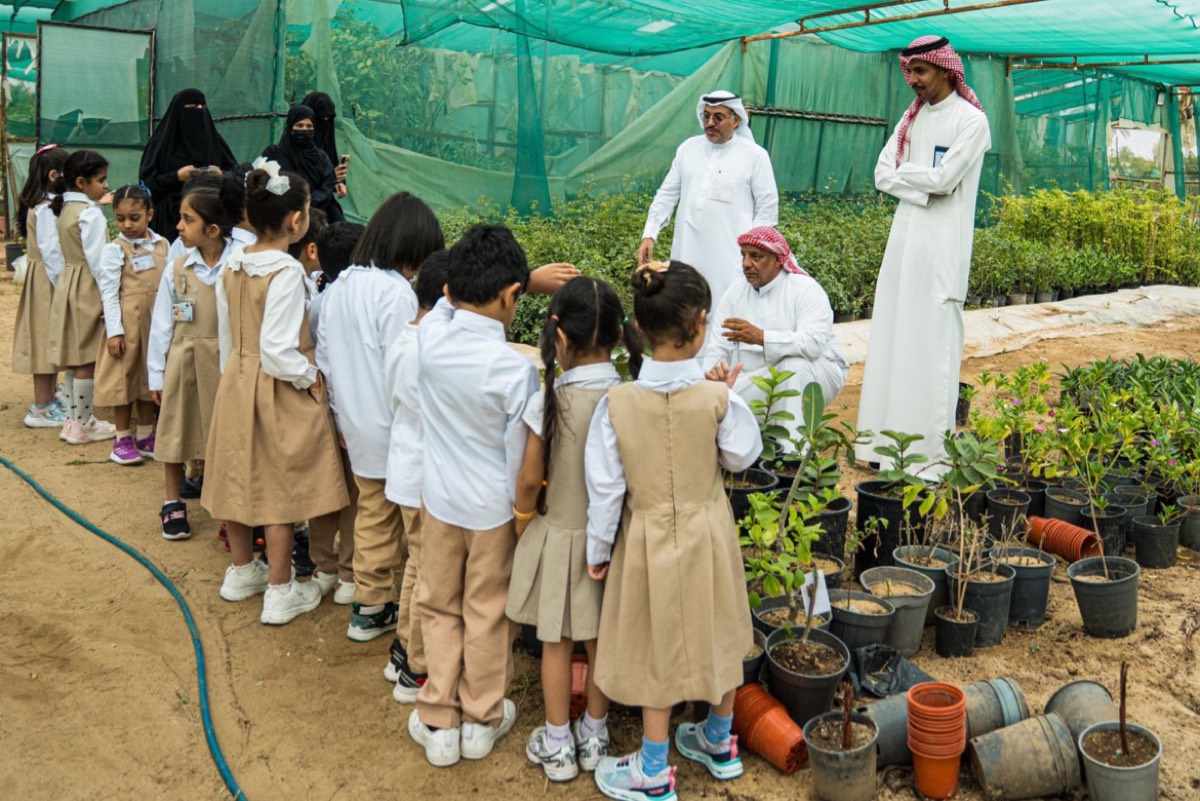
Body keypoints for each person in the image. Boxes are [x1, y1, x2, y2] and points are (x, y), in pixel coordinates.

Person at [585, 261, 761, 801]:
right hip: (708, 531)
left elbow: (606, 489)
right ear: (701, 324)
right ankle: (718, 740)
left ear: (638, 328)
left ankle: (653, 768)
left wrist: (598, 549)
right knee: (720, 631)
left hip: (647, 536)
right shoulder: (717, 398)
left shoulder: (615, 405)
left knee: (656, 644)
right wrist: (727, 398)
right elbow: (742, 456)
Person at [408, 224, 538, 767]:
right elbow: (520, 458)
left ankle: (439, 720)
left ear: (449, 290)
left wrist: (523, 280)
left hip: (439, 502)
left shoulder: (429, 340)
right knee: (487, 611)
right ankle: (482, 718)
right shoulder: (516, 370)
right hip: (493, 513)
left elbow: (444, 304)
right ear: (511, 296)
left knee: (439, 605)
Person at [201, 158, 348, 625]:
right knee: (277, 484)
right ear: (297, 220)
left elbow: (229, 334)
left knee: (238, 471)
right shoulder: (285, 271)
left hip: (238, 377)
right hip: (276, 385)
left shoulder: (234, 264)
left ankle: (242, 570)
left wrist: (233, 378)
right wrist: (310, 377)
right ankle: (280, 590)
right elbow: (279, 350)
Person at [507, 277, 642, 783]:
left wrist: (522, 522)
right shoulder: (628, 398)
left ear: (559, 338)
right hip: (612, 542)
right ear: (618, 336)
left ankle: (559, 741)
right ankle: (596, 733)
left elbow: (528, 479)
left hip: (559, 535)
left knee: (557, 642)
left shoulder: (549, 399)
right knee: (600, 638)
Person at [855, 36, 991, 475]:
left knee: (931, 351)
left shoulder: (972, 121)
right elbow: (882, 175)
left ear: (946, 70)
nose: (912, 80)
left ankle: (926, 461)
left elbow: (946, 181)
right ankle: (880, 448)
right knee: (892, 339)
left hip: (942, 253)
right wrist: (923, 183)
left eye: (920, 71)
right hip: (903, 245)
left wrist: (911, 175)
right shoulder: (910, 118)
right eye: (909, 71)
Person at [316, 191, 445, 642]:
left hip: (357, 425)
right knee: (417, 526)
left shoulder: (339, 288)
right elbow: (406, 364)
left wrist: (340, 417)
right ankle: (418, 623)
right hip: (398, 428)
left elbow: (326, 362)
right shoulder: (395, 293)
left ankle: (369, 606)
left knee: (372, 515)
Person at [148, 179, 241, 540]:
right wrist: (156, 374)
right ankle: (172, 502)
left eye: (188, 220)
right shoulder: (178, 268)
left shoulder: (237, 264)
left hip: (224, 363)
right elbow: (161, 324)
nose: (179, 226)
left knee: (223, 435)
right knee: (176, 429)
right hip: (183, 359)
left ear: (213, 230)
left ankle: (226, 506)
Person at [701, 226, 849, 442]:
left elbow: (813, 344)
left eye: (755, 256)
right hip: (756, 380)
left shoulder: (806, 289)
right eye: (743, 255)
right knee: (708, 396)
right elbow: (718, 348)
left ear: (778, 260)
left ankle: (792, 450)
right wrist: (708, 384)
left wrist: (761, 337)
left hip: (817, 375)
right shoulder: (733, 295)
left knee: (793, 367)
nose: (746, 264)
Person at [381, 249, 451, 704]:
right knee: (432, 573)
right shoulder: (431, 347)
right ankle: (418, 669)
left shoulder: (406, 336)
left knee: (417, 564)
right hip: (426, 475)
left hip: (405, 468)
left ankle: (403, 649)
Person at [638, 90, 779, 306]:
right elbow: (666, 194)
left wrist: (752, 255)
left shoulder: (755, 156)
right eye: (706, 116)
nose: (710, 123)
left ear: (736, 120)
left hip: (731, 258)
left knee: (725, 312)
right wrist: (649, 234)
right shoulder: (687, 149)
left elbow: (767, 209)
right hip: (687, 250)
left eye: (718, 117)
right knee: (686, 308)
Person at [306, 220, 366, 606]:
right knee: (354, 497)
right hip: (354, 412)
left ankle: (323, 567)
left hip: (322, 408)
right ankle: (347, 573)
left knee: (325, 490)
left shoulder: (319, 300)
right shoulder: (358, 299)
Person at [46, 150, 117, 445]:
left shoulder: (64, 210)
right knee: (87, 355)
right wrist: (108, 295)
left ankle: (73, 420)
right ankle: (83, 424)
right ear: (81, 182)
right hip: (87, 285)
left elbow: (54, 255)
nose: (105, 185)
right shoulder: (90, 214)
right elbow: (99, 261)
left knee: (75, 356)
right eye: (101, 180)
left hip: (68, 282)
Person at [94, 184, 167, 466]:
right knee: (124, 379)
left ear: (150, 214)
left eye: (134, 218)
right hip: (129, 325)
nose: (127, 225)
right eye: (120, 218)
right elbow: (109, 292)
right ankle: (122, 438)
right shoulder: (114, 249)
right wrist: (115, 332)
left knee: (150, 377)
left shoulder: (163, 245)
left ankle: (146, 435)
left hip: (155, 323)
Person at [13, 144, 69, 428]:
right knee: (44, 340)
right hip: (47, 282)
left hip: (44, 280)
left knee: (50, 340)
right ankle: (41, 407)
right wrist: (64, 287)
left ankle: (49, 400)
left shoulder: (45, 205)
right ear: (53, 175)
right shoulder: (46, 208)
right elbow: (52, 253)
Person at [139, 88, 238, 238]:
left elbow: (235, 176)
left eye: (202, 107)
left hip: (212, 219)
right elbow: (146, 185)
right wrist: (176, 177)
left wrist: (220, 175)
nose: (199, 112)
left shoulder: (214, 142)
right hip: (169, 222)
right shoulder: (161, 144)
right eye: (192, 107)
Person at [262, 105, 341, 223]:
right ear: (290, 126)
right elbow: (262, 181)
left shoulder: (320, 157)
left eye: (309, 126)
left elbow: (327, 186)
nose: (304, 130)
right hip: (281, 214)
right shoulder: (273, 153)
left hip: (316, 213)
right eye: (299, 125)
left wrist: (308, 203)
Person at [301, 91, 348, 216]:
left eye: (328, 119)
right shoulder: (286, 149)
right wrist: (331, 178)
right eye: (321, 119)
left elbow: (330, 160)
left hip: (324, 197)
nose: (325, 122)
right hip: (303, 202)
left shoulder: (325, 140)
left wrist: (338, 182)